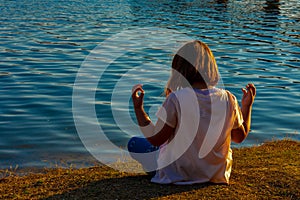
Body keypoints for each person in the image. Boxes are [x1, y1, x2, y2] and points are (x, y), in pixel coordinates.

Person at [128, 40, 256, 185]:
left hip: (177, 172)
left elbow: (157, 139)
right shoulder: (228, 99)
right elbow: (239, 137)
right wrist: (247, 106)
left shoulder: (176, 99)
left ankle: (155, 169)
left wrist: (139, 109)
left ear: (179, 70)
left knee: (134, 143)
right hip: (215, 174)